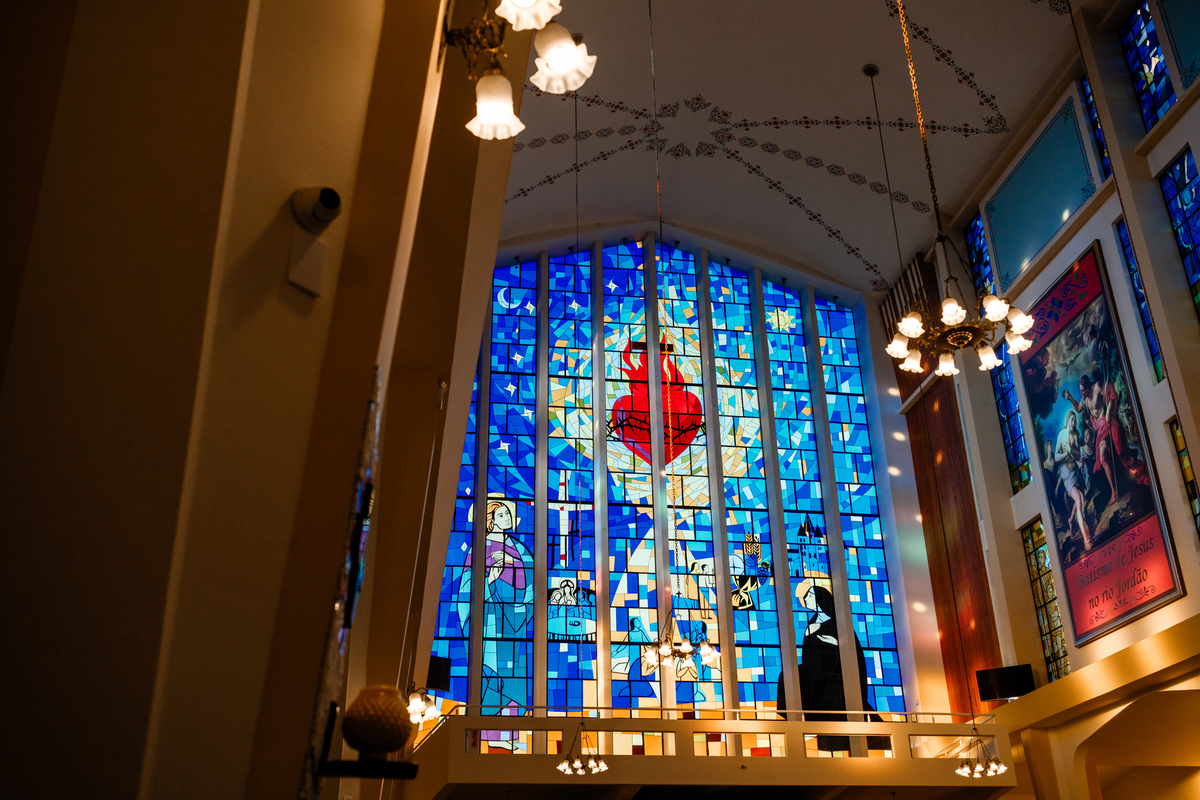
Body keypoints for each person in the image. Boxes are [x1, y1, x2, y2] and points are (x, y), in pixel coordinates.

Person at [1065, 374, 1121, 508]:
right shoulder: (1085, 399)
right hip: (1099, 429)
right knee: (1102, 458)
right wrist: (1071, 398)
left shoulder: (1096, 388)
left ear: (1088, 387)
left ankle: (1114, 492)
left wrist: (1108, 412)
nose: (1081, 393)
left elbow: (1110, 390)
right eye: (1080, 391)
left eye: (1082, 390)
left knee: (1102, 458)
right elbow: (1078, 409)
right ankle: (1113, 489)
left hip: (1106, 423)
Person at [1054, 411, 1092, 549]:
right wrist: (1066, 452)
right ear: (1067, 420)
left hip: (1076, 472)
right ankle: (1086, 540)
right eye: (1071, 420)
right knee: (1079, 501)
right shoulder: (1062, 435)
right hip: (1067, 475)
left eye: (1075, 421)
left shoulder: (1076, 434)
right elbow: (1056, 457)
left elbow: (1076, 456)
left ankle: (1071, 519)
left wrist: (1073, 451)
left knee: (1083, 497)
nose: (1073, 423)